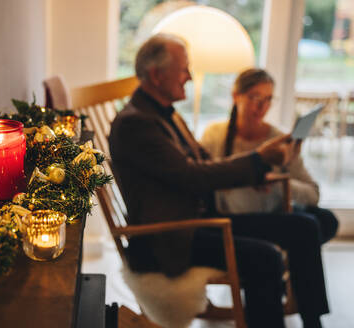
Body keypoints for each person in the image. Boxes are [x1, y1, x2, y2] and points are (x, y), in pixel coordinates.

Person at [109, 33, 329, 328]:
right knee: (266, 259)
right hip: (173, 237)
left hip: (199, 219)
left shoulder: (166, 116)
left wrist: (261, 173)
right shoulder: (137, 124)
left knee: (305, 226)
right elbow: (192, 177)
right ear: (157, 75)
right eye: (184, 68)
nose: (189, 76)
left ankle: (313, 321)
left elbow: (204, 165)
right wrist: (259, 158)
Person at [201, 68, 338, 244]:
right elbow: (204, 178)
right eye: (255, 98)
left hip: (271, 209)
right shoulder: (214, 135)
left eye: (268, 99)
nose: (262, 107)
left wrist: (280, 183)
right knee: (307, 227)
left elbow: (313, 194)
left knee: (326, 220)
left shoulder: (279, 140)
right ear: (236, 96)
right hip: (234, 215)